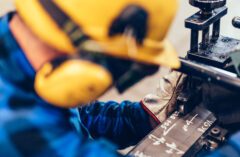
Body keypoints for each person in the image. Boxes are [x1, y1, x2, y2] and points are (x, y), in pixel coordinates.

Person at [0, 0, 179, 156]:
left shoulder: (24, 64)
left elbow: (83, 117)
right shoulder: (13, 124)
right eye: (123, 69)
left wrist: (145, 116)